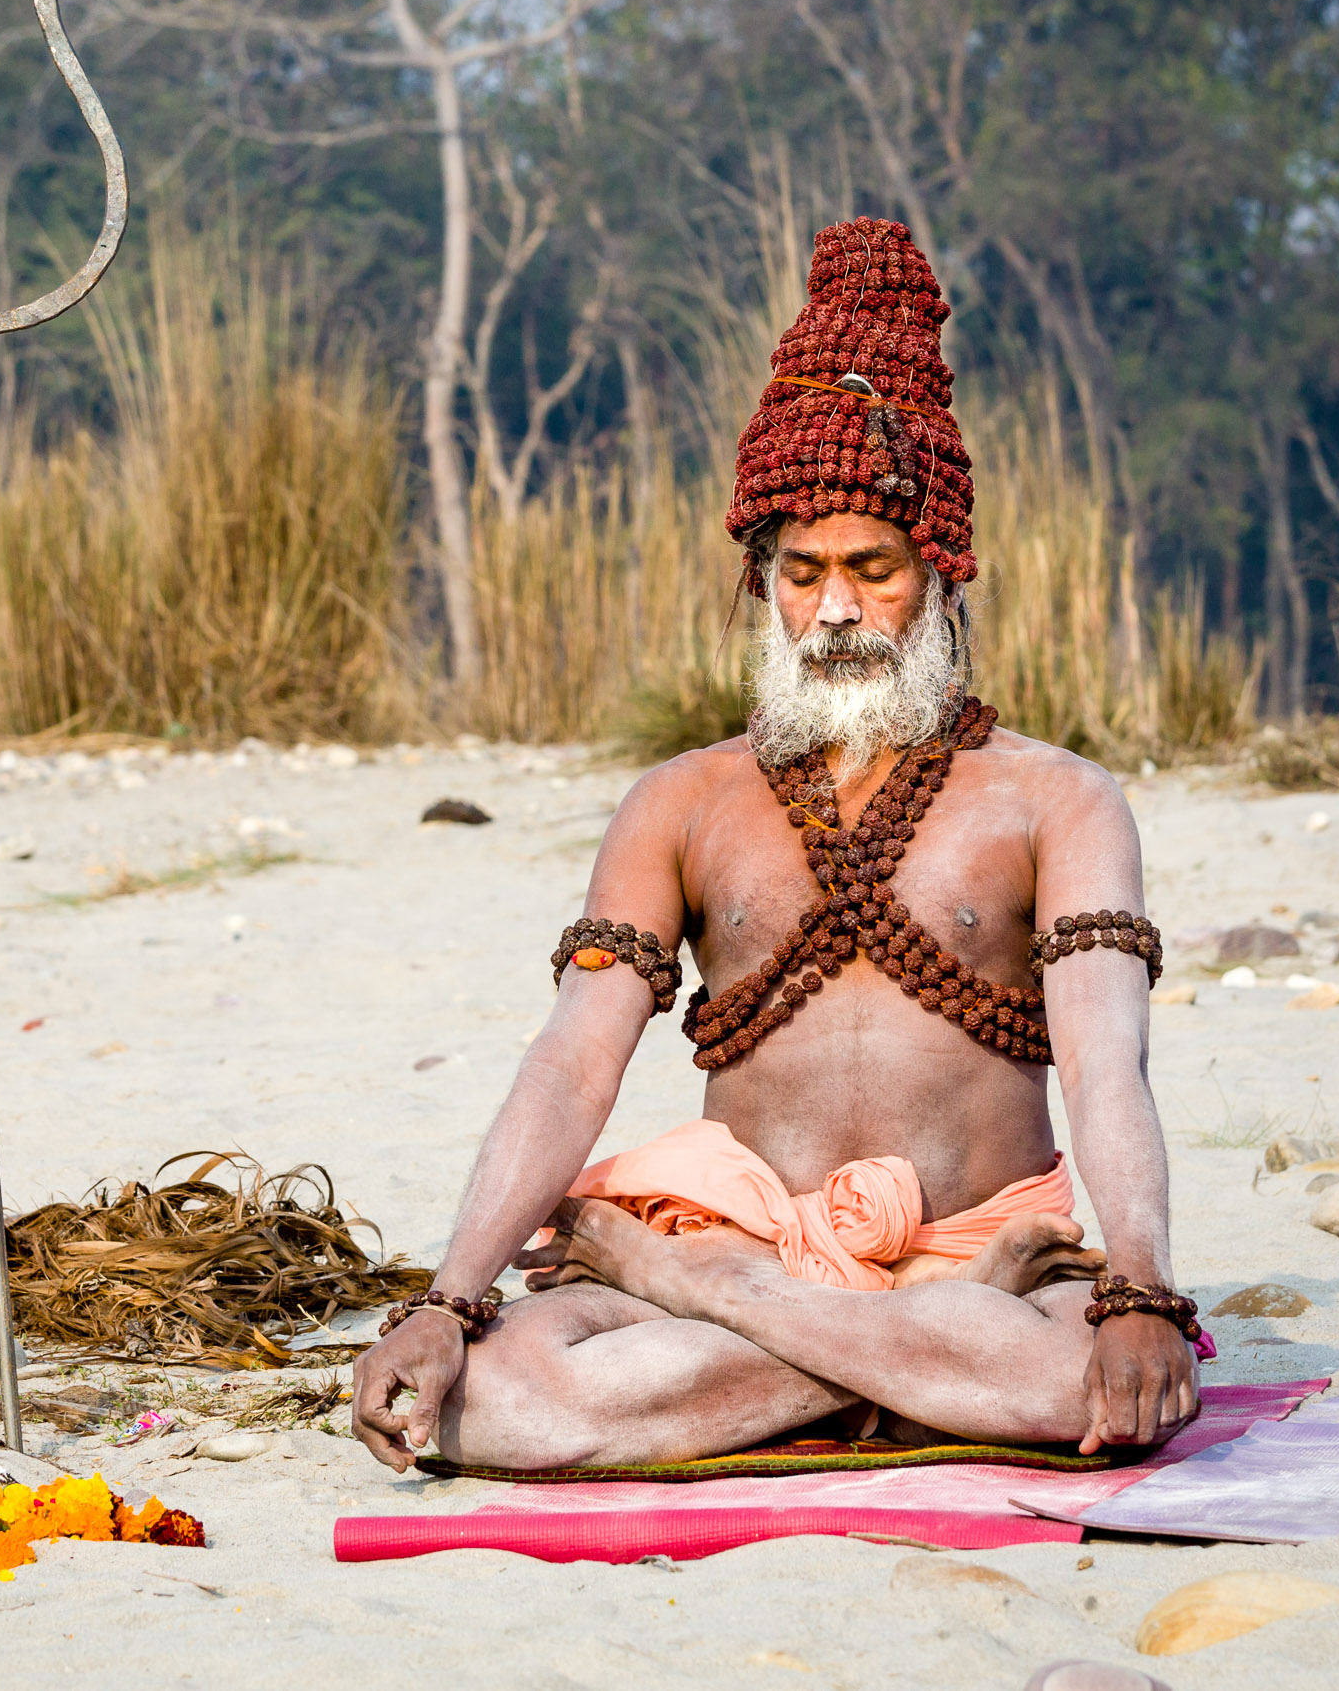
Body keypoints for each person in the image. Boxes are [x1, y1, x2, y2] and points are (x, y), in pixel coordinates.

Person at [353, 216, 1203, 1474]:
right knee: (502, 1399)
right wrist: (446, 1297)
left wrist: (1135, 1283)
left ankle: (810, 1335)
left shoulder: (1055, 798)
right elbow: (571, 1066)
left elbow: (1105, 1065)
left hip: (963, 1252)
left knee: (1081, 1378)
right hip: (744, 1238)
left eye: (874, 566)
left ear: (941, 574)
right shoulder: (680, 802)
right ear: (763, 584)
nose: (839, 607)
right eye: (802, 572)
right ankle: (897, 1368)